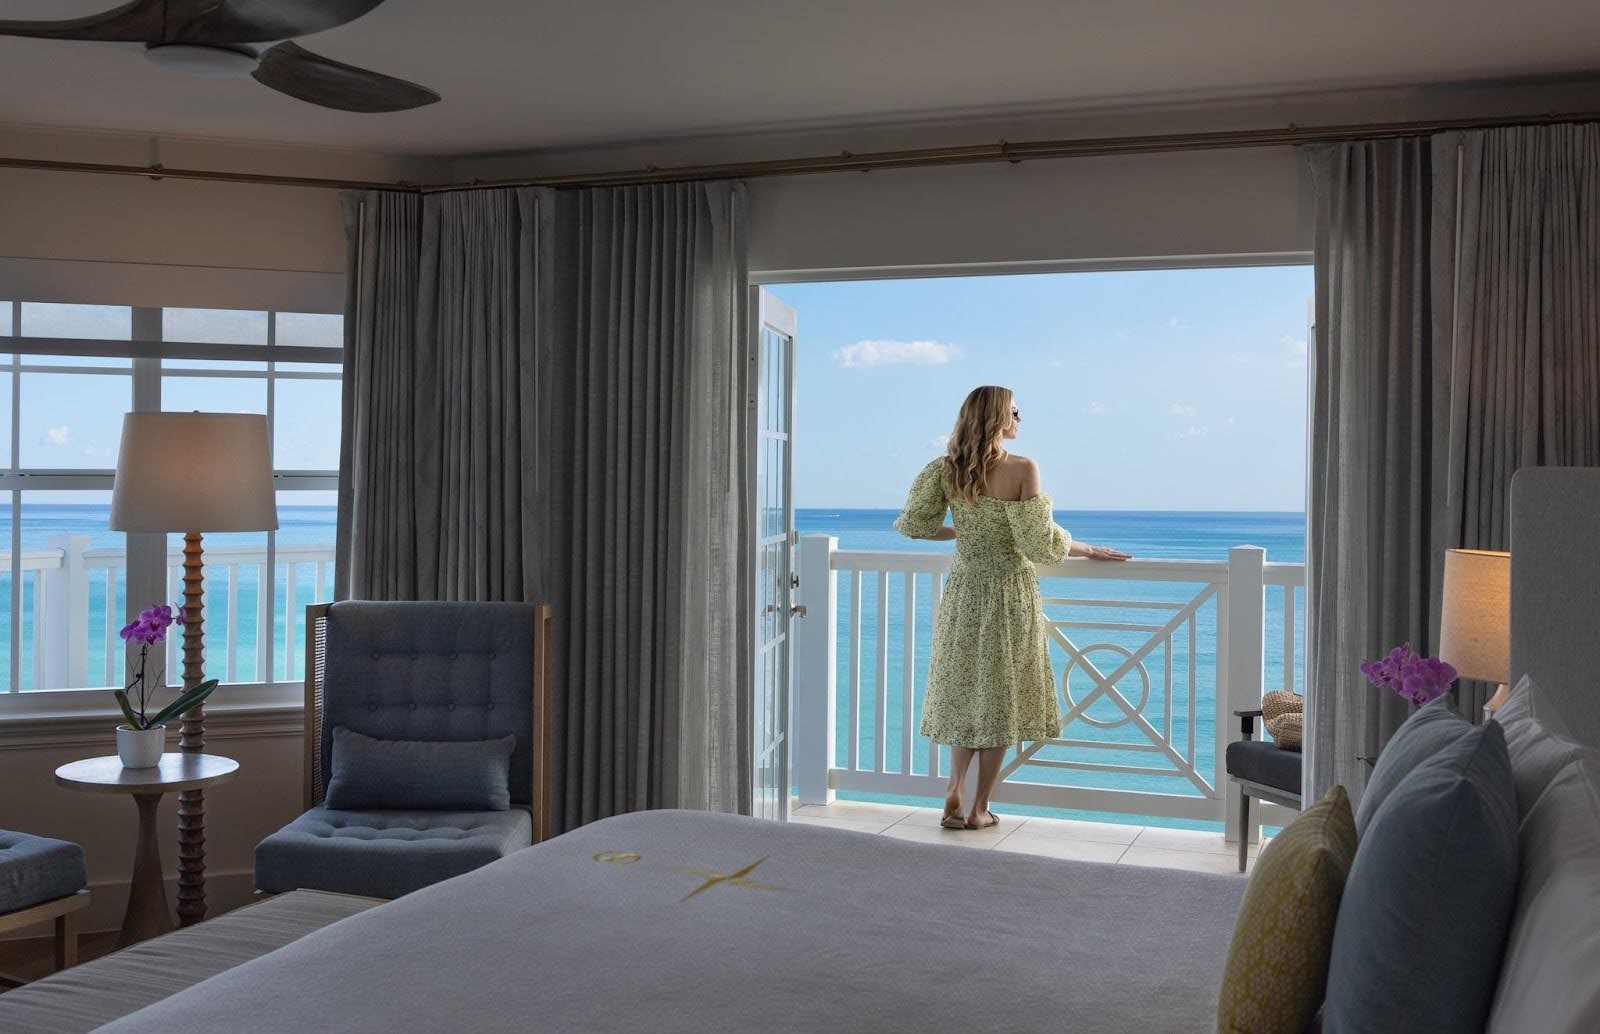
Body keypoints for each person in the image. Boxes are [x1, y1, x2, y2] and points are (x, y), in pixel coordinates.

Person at [894, 385, 1130, 830]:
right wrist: (1085, 548)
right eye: (1016, 412)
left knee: (967, 689)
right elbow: (1038, 544)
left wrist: (965, 532)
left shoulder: (946, 470)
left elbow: (915, 525)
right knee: (1001, 698)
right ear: (999, 418)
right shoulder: (1022, 468)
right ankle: (979, 809)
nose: (1020, 420)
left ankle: (954, 787)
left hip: (964, 592)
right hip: (1008, 594)